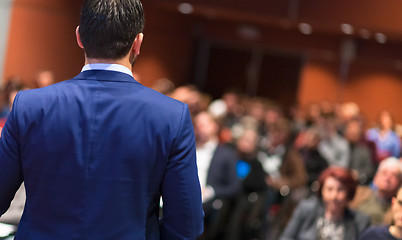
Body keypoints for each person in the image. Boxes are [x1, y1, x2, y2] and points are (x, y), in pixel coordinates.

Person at [0, 0, 204, 239]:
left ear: (79, 37)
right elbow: (186, 225)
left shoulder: (29, 105)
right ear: (138, 43)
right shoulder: (172, 116)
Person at [280, 167, 370, 240]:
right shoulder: (307, 209)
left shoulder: (360, 221)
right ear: (322, 191)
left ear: (349, 193)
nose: (334, 196)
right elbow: (287, 237)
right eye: (329, 189)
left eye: (340, 190)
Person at [349, 157, 402, 225]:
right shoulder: (359, 193)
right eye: (384, 173)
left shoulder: (398, 206)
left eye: (394, 175)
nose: (388, 178)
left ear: (400, 183)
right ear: (376, 177)